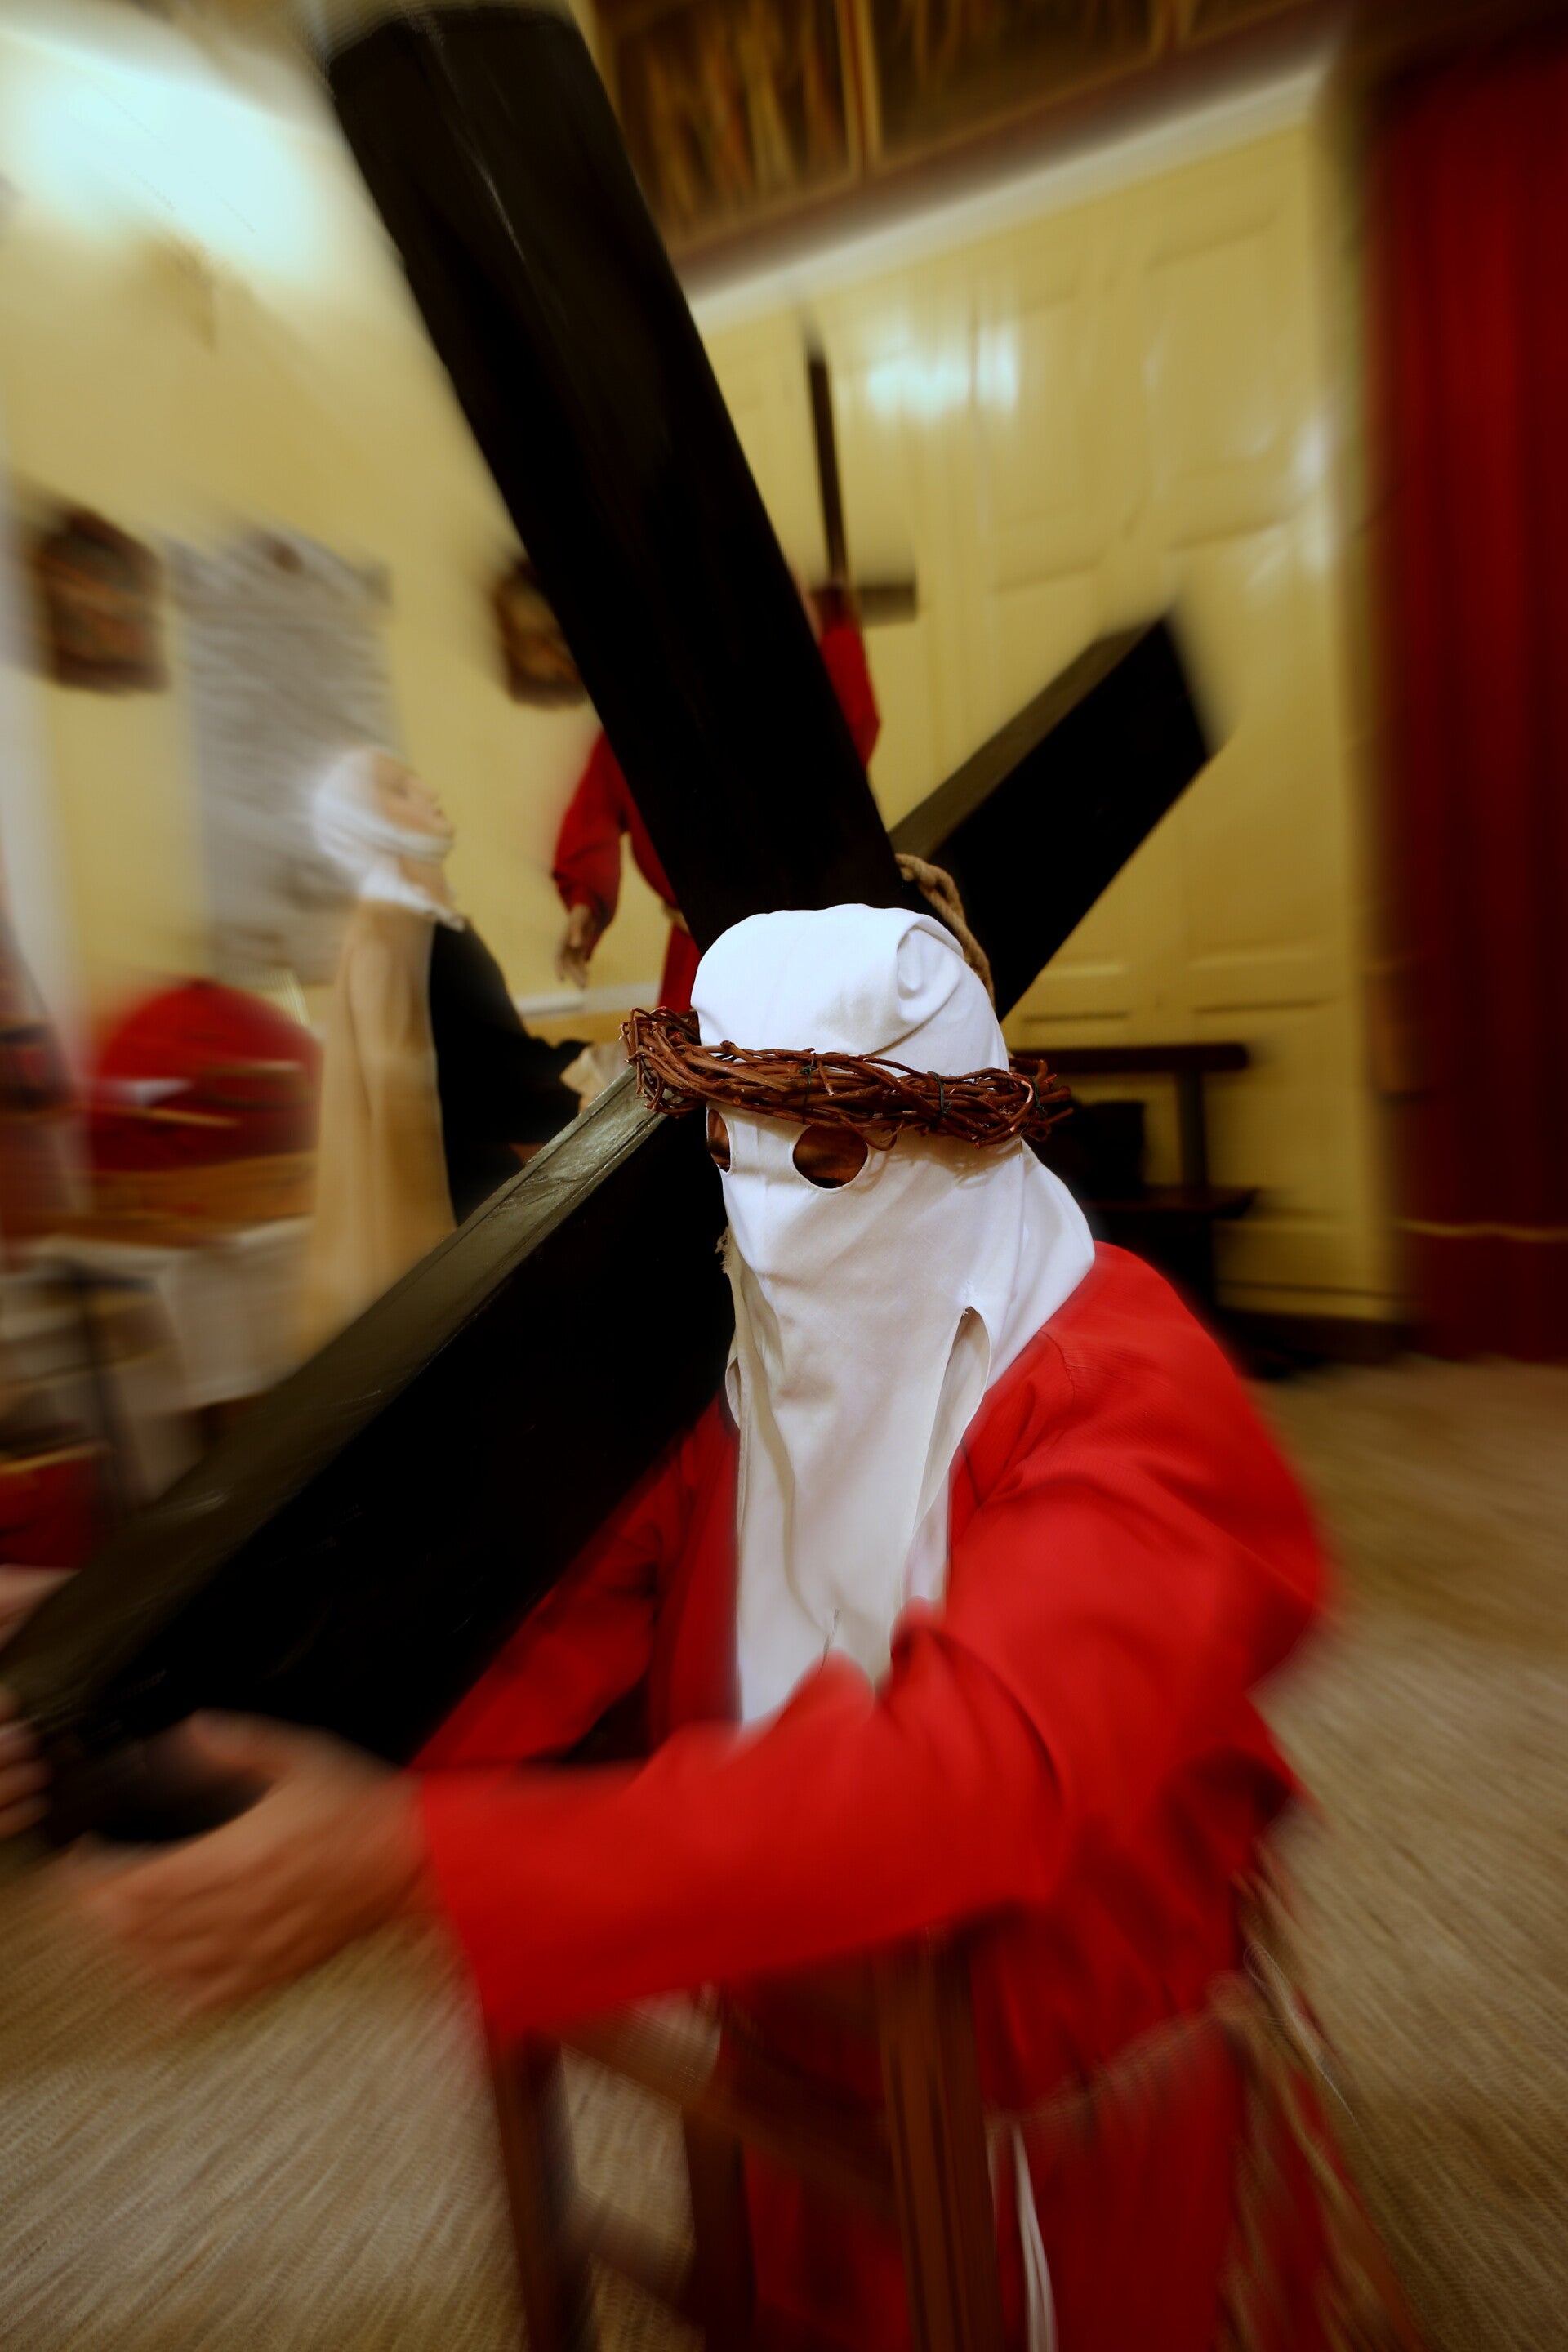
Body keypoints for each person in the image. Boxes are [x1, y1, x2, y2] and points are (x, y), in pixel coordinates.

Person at [0, 904, 1416, 2350]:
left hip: (1052, 2020)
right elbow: (557, 1618)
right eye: (733, 1149)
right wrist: (162, 1664)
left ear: (966, 1137)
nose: (776, 1219)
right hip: (798, 1974)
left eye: (828, 1154)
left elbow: (973, 1780)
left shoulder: (1131, 1397)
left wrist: (419, 1857)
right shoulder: (746, 1350)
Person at [301, 747, 581, 1352]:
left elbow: (485, 1060)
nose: (429, 793)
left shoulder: (419, 924)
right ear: (362, 822)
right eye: (400, 789)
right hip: (456, 1196)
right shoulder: (399, 934)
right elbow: (474, 1081)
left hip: (476, 1174)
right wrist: (594, 1081)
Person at [552, 588, 881, 1008]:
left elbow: (850, 738)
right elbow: (596, 807)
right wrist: (584, 902)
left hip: (799, 945)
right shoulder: (640, 713)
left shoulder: (780, 685)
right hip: (700, 956)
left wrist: (835, 629)